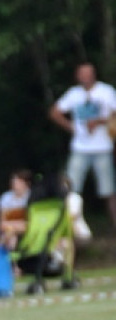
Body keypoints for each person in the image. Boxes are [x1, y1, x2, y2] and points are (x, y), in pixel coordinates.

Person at [49, 62, 116, 230]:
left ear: (94, 74)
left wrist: (99, 121)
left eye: (88, 73)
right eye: (82, 74)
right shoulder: (74, 94)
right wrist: (71, 127)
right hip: (79, 148)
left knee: (109, 191)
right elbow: (54, 112)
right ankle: (72, 228)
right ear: (77, 76)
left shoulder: (106, 91)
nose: (85, 77)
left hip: (103, 147)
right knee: (70, 189)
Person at [0, 169, 33, 242]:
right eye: (14, 182)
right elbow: (1, 223)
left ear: (26, 183)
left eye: (18, 182)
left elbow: (31, 222)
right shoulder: (5, 198)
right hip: (11, 231)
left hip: (29, 229)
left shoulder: (32, 196)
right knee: (9, 237)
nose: (15, 185)